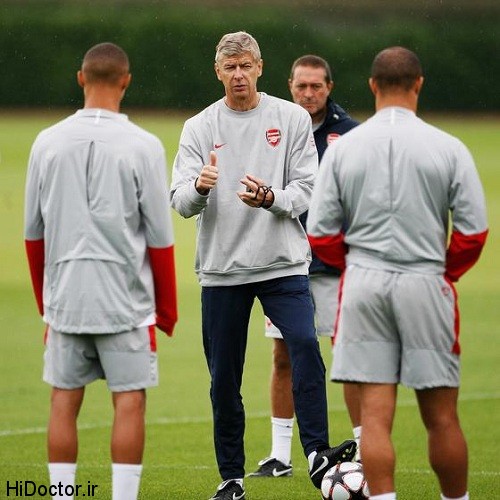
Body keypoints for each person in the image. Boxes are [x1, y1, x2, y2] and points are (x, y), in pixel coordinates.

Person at [170, 32, 356, 500]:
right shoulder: (199, 127)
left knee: (304, 345)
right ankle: (231, 477)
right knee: (224, 378)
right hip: (223, 269)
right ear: (218, 72)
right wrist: (200, 187)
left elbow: (308, 188)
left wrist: (271, 198)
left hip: (283, 263)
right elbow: (180, 201)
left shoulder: (289, 118)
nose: (238, 75)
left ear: (259, 67)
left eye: (245, 66)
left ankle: (316, 452)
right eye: (229, 67)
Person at [307, 46, 488, 500]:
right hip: (426, 282)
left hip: (364, 284)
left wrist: (357, 267)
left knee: (374, 415)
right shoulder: (449, 147)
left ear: (372, 85)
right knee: (442, 416)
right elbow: (473, 234)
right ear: (419, 84)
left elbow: (321, 234)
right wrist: (442, 272)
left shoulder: (344, 149)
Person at [24, 42, 178, 500]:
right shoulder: (145, 146)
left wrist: (46, 305)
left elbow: (33, 235)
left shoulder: (46, 142)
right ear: (126, 81)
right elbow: (161, 239)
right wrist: (166, 311)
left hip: (66, 299)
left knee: (63, 399)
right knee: (129, 400)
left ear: (80, 78)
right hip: (126, 302)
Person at [249, 55, 361, 478]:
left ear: (329, 86)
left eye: (316, 86)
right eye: (301, 86)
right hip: (286, 264)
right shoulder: (274, 128)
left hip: (335, 266)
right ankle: (280, 456)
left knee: (349, 358)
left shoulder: (349, 135)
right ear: (290, 85)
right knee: (283, 356)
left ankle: (365, 450)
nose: (308, 93)